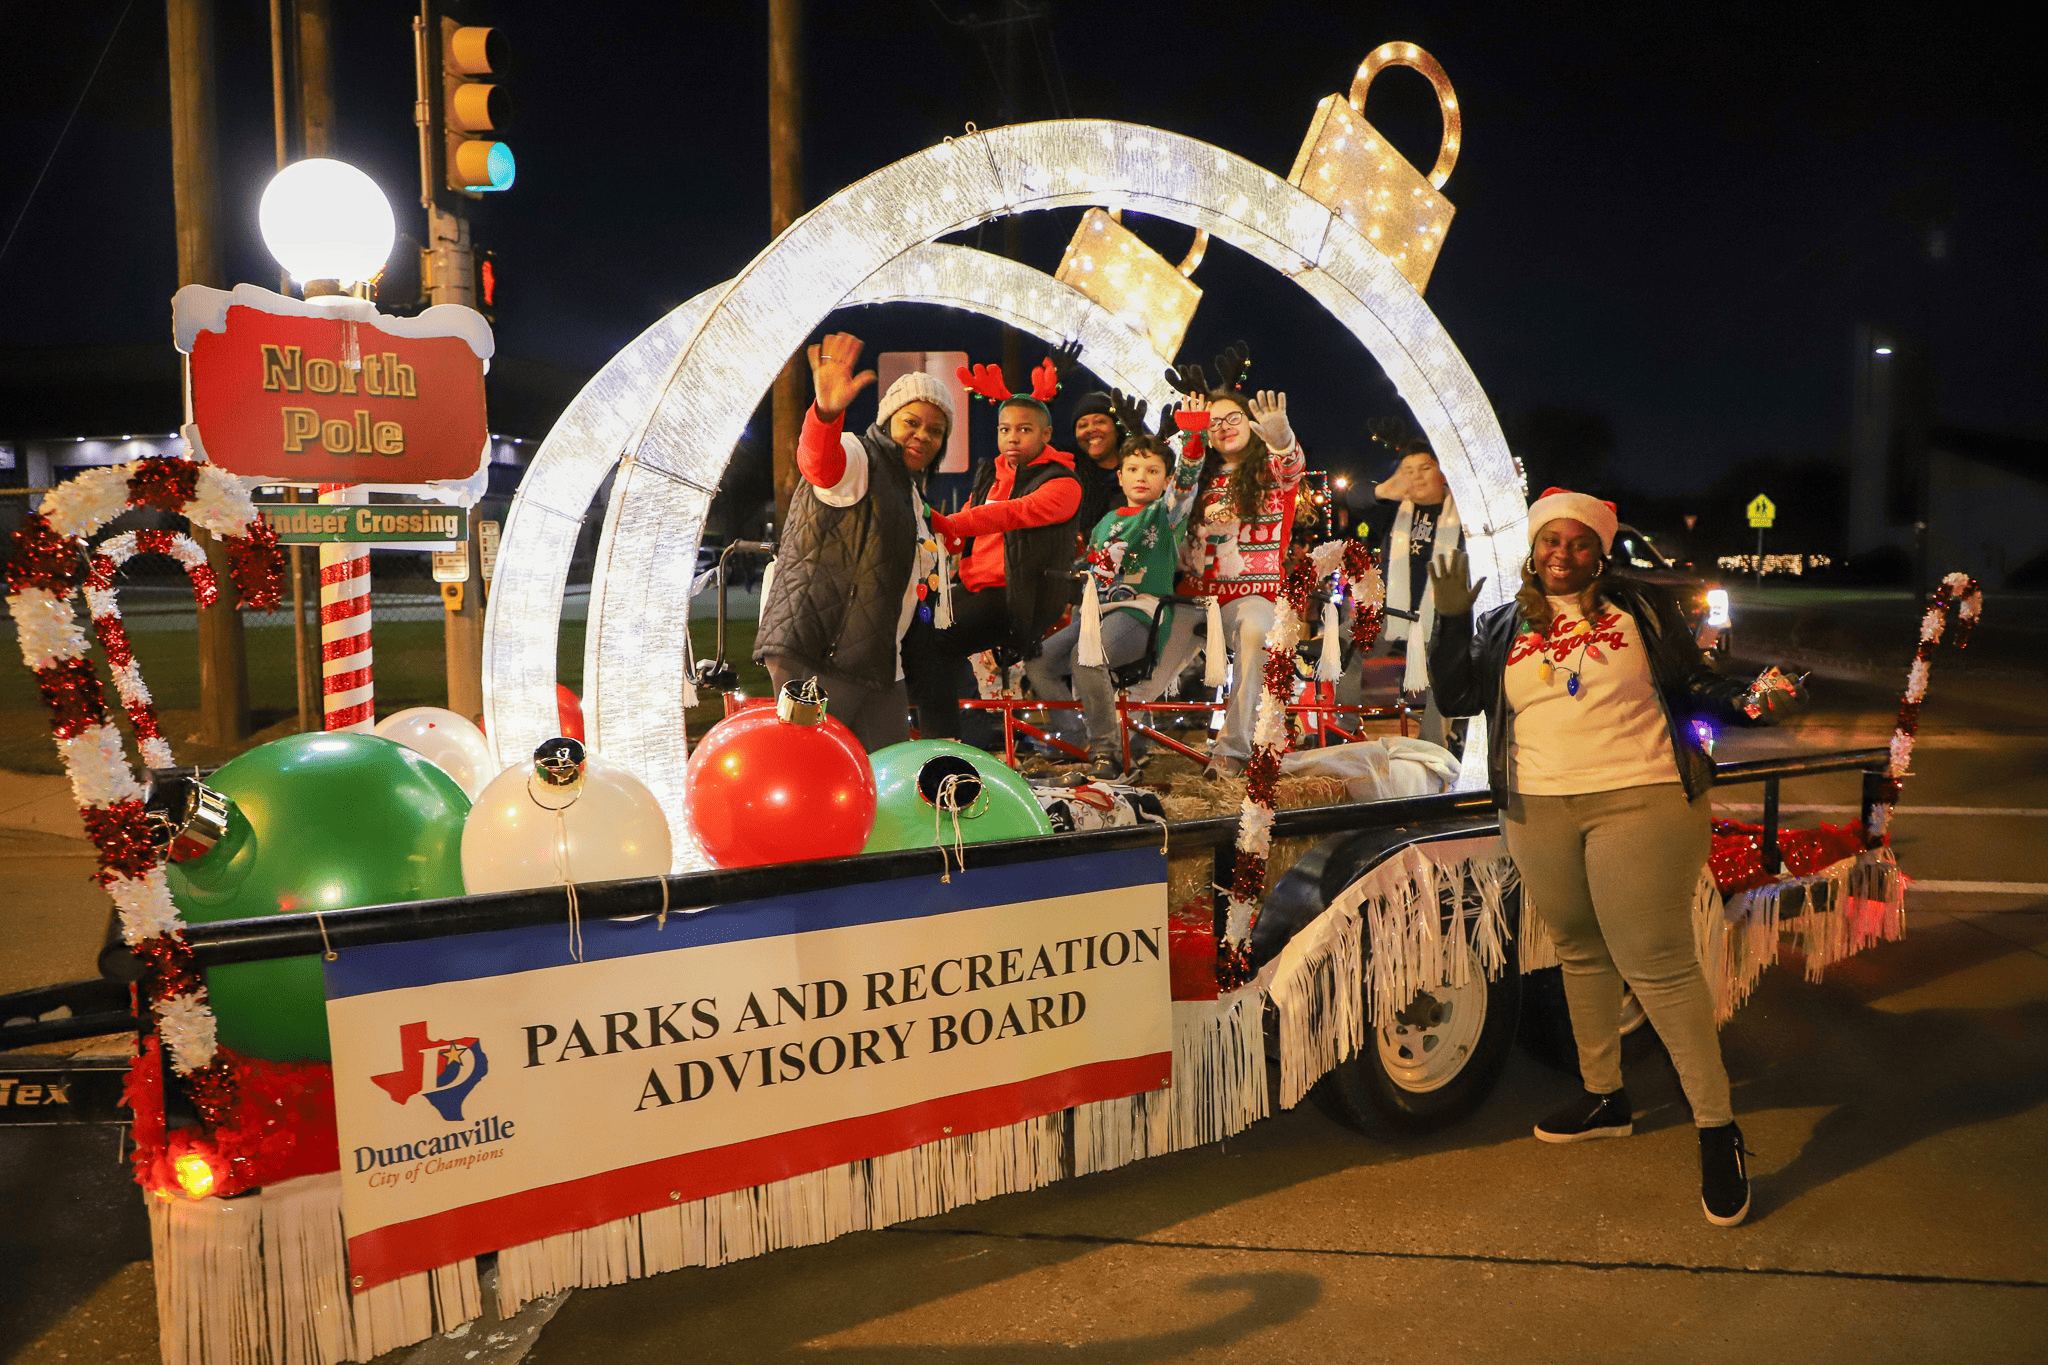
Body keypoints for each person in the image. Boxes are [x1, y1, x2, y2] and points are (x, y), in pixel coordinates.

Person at [1427, 487, 1802, 1227]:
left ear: (1601, 552)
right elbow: (1455, 693)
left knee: (1656, 960)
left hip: (1643, 796)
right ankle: (1605, 1096)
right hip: (1537, 805)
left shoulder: (1641, 611)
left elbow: (1694, 683)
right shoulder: (1505, 622)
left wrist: (1754, 698)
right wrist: (1446, 620)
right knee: (1578, 947)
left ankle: (1717, 1128)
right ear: (1532, 551)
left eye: (1577, 542)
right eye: (1548, 542)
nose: (1560, 554)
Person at [753, 332, 950, 752]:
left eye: (935, 430)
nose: (922, 436)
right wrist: (825, 413)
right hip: (820, 651)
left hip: (875, 658)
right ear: (886, 420)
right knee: (815, 776)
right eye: (910, 422)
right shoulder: (860, 458)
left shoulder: (908, 492)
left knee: (884, 782)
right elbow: (820, 464)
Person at [904, 372, 1081, 739]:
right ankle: (963, 730)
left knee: (932, 635)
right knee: (909, 622)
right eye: (1004, 429)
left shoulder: (1062, 483)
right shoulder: (990, 478)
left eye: (1024, 429)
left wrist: (946, 522)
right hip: (972, 589)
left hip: (1019, 599)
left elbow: (1011, 513)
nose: (1012, 437)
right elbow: (960, 534)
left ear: (1046, 435)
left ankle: (949, 736)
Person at [1024, 433, 1199, 780]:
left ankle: (1107, 752)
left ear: (1166, 480)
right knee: (1038, 662)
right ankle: (1073, 742)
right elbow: (1093, 565)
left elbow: (1184, 492)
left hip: (1139, 613)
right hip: (1093, 614)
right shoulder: (1106, 521)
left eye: (1152, 470)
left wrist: (1193, 447)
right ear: (1119, 476)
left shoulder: (1165, 517)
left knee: (1088, 656)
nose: (1141, 476)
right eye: (1133, 468)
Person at [1175, 384, 1305, 779]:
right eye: (1213, 423)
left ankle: (1232, 749)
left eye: (1233, 419)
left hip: (1251, 595)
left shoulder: (1269, 470)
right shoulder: (1197, 473)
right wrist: (1192, 446)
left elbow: (1291, 468)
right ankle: (1128, 741)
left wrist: (1282, 439)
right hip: (1193, 596)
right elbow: (1174, 501)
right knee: (1149, 658)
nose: (1224, 428)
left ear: (1249, 424)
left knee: (1254, 633)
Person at [1345, 440, 1463, 745]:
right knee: (1343, 643)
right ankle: (1341, 728)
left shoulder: (1466, 513)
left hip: (1442, 616)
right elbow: (1354, 497)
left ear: (1444, 472)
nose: (1417, 477)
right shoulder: (1394, 510)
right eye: (1408, 471)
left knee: (1449, 659)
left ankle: (1435, 744)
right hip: (1391, 612)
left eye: (1425, 468)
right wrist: (1385, 489)